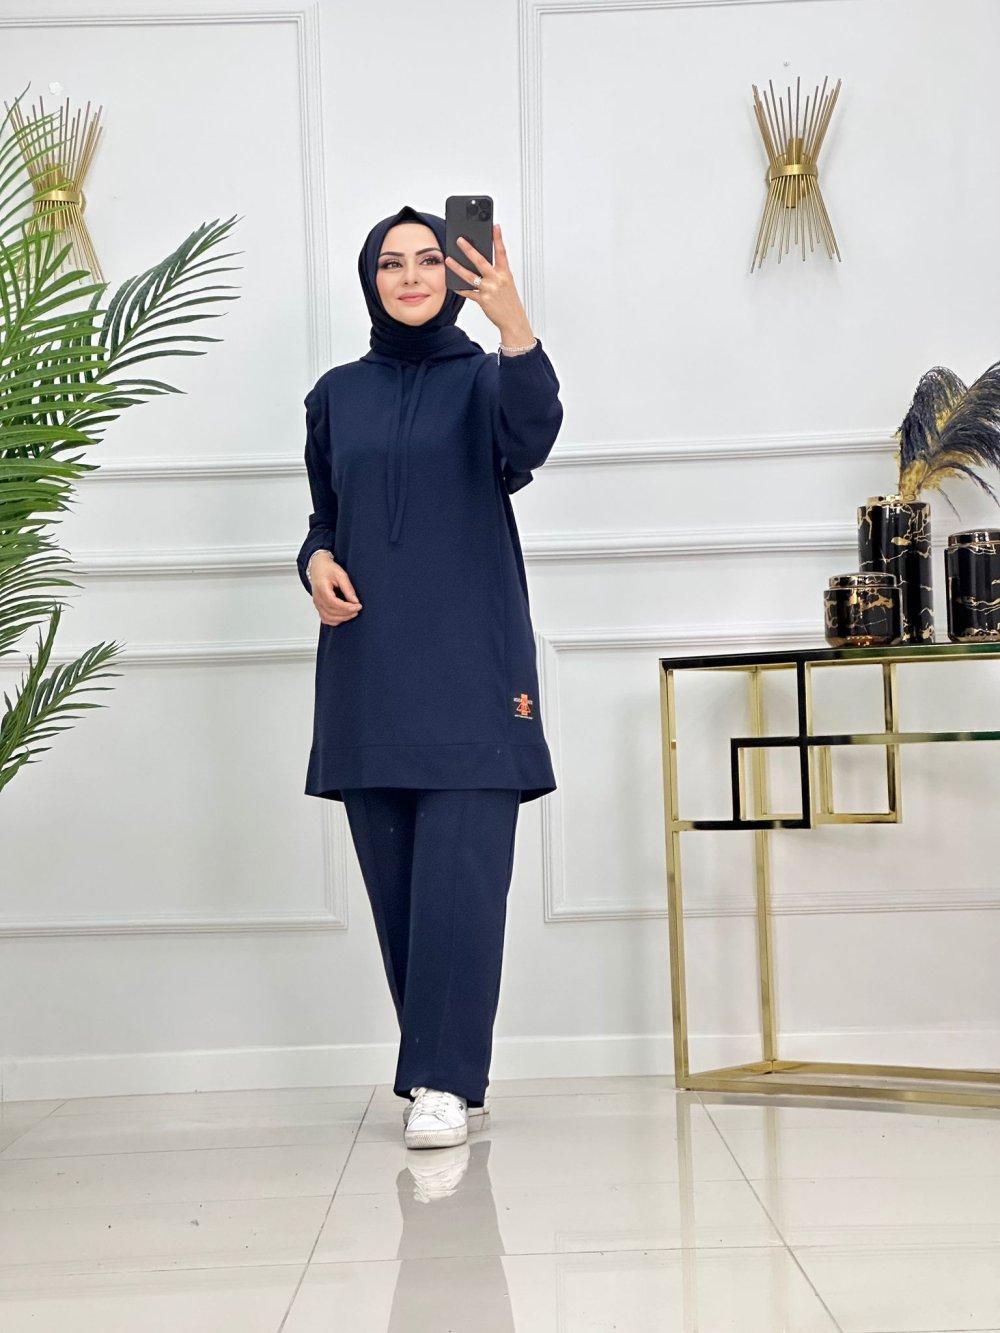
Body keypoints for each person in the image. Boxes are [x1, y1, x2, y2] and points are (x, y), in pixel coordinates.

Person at [296, 203, 564, 1149]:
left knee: (462, 879)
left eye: (426, 260)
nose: (410, 276)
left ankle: (443, 1080)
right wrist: (313, 562)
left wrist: (513, 320)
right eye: (390, 263)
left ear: (453, 275)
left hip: (474, 663)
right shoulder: (335, 395)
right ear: (370, 282)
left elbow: (533, 437)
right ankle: (443, 1070)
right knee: (401, 886)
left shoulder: (488, 380)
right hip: (369, 663)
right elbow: (326, 515)